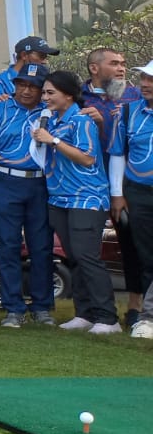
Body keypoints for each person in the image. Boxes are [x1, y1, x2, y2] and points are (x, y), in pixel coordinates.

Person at [32, 69, 119, 333]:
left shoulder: (81, 120)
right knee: (75, 258)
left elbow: (88, 158)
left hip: (86, 197)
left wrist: (53, 140)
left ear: (68, 95)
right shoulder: (53, 120)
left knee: (87, 256)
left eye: (50, 92)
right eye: (44, 92)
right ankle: (85, 314)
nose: (44, 97)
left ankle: (108, 318)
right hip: (59, 197)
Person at [0, 62, 55, 328]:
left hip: (40, 183)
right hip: (5, 180)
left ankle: (42, 307)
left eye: (33, 86)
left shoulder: (52, 112)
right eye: (21, 85)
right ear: (14, 85)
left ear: (43, 90)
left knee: (41, 247)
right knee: (8, 246)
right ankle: (13, 308)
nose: (26, 91)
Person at [81, 45, 143, 325]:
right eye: (114, 63)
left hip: (126, 183)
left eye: (123, 63)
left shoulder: (136, 96)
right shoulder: (76, 97)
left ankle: (136, 306)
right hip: (86, 184)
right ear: (94, 68)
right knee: (84, 246)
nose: (121, 68)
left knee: (133, 243)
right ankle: (89, 309)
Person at [114, 61, 153, 339]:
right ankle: (148, 318)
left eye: (151, 79)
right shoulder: (128, 112)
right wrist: (117, 193)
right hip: (138, 192)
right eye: (143, 77)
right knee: (146, 256)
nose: (145, 83)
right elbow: (118, 154)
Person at [0, 36, 59, 104]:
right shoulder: (1, 81)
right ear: (24, 55)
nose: (45, 61)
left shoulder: (45, 79)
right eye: (41, 56)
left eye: (46, 57)